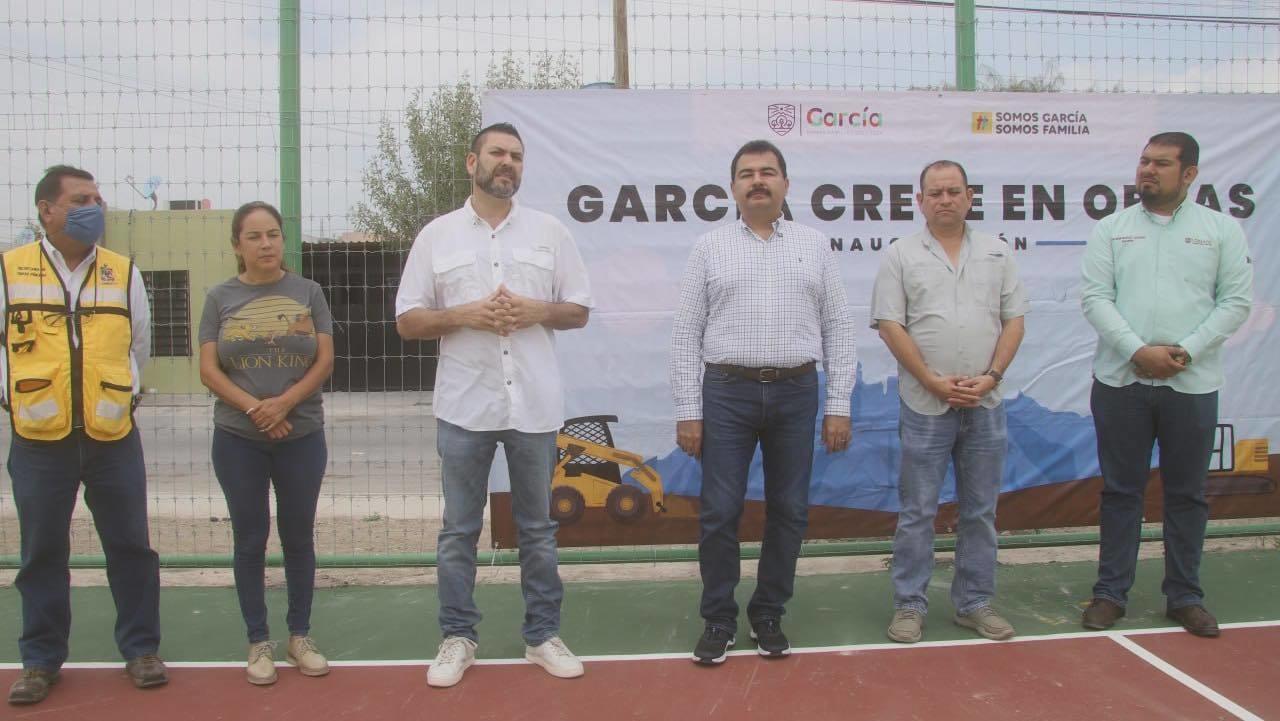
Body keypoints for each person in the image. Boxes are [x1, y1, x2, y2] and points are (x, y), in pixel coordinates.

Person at [395, 122, 593, 687]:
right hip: (465, 407)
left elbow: (578, 309)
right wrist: (463, 315)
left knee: (537, 528)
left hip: (533, 406)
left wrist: (535, 310)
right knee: (459, 530)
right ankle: (457, 637)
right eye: (497, 154)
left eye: (516, 157)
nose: (507, 163)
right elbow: (408, 320)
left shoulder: (550, 233)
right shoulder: (437, 236)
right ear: (471, 162)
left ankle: (542, 636)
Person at [670, 139, 855, 665]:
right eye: (747, 173)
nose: (758, 180)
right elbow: (686, 333)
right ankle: (718, 619)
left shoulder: (815, 246)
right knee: (719, 512)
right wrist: (689, 409)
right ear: (732, 187)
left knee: (791, 511)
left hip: (798, 392)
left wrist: (838, 403)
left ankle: (769, 612)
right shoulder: (709, 248)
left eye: (768, 172)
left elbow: (838, 328)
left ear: (785, 185)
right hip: (726, 393)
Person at [4, 165, 166, 705]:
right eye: (80, 199)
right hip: (39, 438)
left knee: (131, 547)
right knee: (42, 552)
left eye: (96, 198)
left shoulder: (123, 273)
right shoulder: (10, 271)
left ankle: (141, 650)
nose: (93, 207)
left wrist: (121, 397)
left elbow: (138, 347)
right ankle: (40, 660)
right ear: (46, 210)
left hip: (112, 436)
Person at [1080, 132, 1252, 637]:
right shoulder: (1110, 229)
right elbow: (1095, 298)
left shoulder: (1221, 230)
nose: (1147, 170)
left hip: (1191, 383)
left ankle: (1184, 596)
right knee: (1120, 492)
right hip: (1120, 381)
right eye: (1143, 161)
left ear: (1190, 173)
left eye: (1161, 163)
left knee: (1187, 494)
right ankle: (1110, 593)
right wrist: (1138, 351)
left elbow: (1236, 302)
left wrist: (1186, 351)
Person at [870, 160, 1028, 644]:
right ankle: (909, 605)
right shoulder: (900, 254)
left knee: (980, 510)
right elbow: (891, 325)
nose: (944, 199)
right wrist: (933, 381)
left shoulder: (998, 252)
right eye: (934, 193)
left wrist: (991, 377)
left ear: (969, 196)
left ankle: (974, 602)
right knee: (918, 509)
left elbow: (1014, 320)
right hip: (924, 404)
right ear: (920, 201)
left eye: (953, 191)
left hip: (986, 402)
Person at [197, 201, 335, 684]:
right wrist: (256, 408)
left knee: (298, 537)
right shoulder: (219, 298)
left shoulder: (309, 292)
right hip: (238, 438)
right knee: (249, 539)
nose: (266, 244)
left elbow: (323, 361)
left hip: (302, 436)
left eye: (273, 234)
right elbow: (209, 370)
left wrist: (285, 403)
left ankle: (300, 636)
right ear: (237, 245)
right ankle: (259, 642)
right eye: (254, 237)